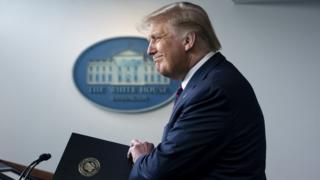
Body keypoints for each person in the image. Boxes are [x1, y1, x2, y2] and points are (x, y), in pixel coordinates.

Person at [127, 2, 266, 180]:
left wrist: (141, 158)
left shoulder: (213, 91)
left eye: (156, 38)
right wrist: (153, 159)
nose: (149, 50)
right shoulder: (208, 82)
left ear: (188, 41)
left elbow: (157, 175)